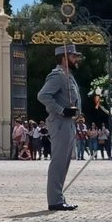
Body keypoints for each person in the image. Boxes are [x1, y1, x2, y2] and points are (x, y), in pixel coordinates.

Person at [36, 43, 83, 211]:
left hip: (68, 123)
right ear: (64, 58)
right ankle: (55, 200)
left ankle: (58, 197)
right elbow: (43, 95)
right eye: (73, 56)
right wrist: (61, 110)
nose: (76, 59)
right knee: (58, 162)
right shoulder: (57, 76)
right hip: (60, 122)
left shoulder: (68, 76)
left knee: (64, 163)